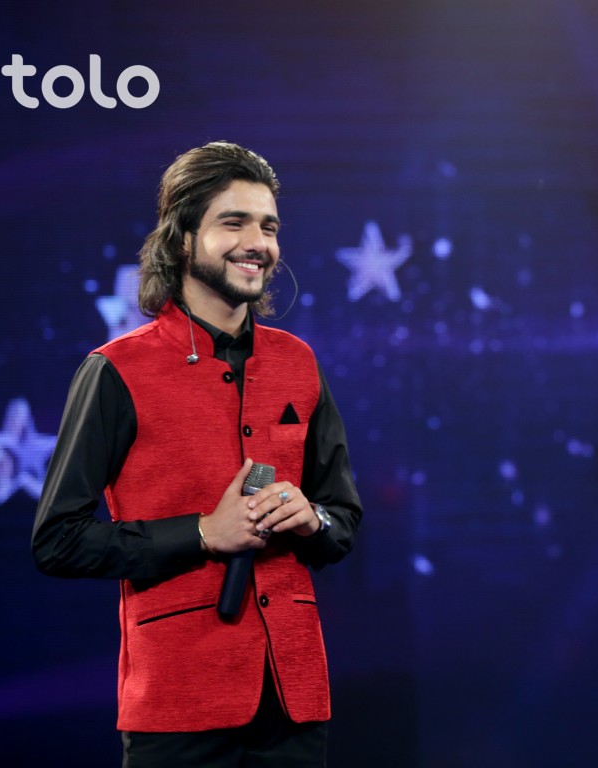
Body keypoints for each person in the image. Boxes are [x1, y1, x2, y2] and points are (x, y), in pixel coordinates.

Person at [32, 141, 363, 767]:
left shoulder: (298, 362)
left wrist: (311, 518)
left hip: (293, 702)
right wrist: (205, 533)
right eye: (233, 223)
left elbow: (341, 519)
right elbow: (58, 540)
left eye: (269, 227)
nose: (257, 243)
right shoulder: (116, 370)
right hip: (179, 703)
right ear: (183, 240)